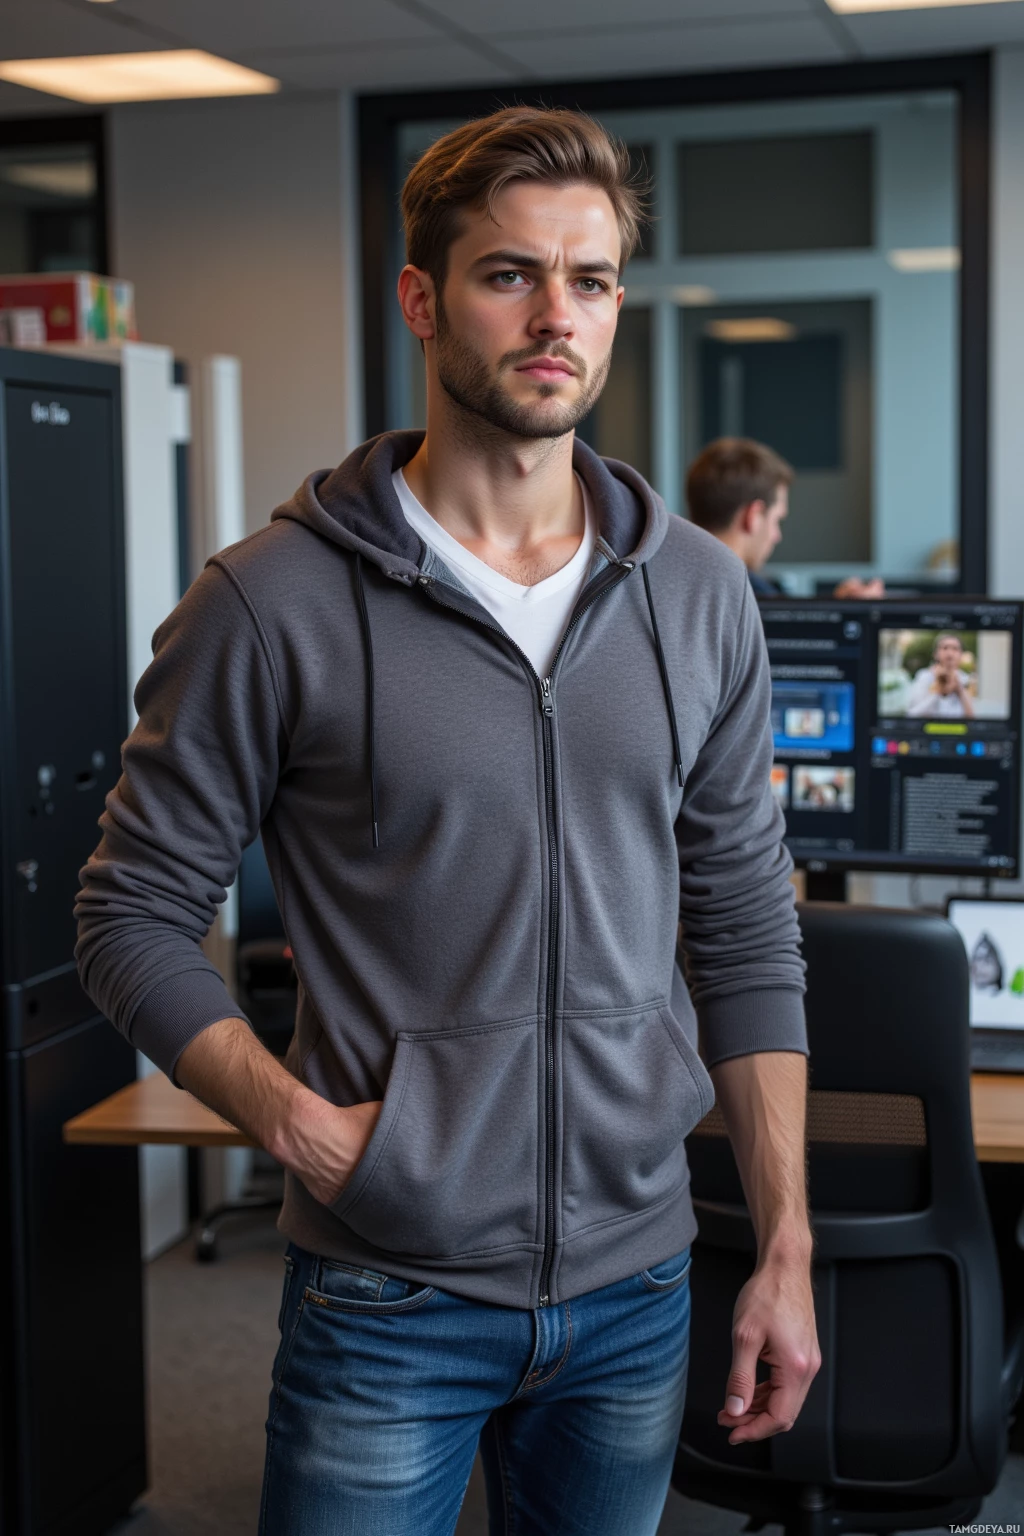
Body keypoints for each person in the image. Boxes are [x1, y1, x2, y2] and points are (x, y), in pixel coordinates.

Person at [76, 107, 818, 1536]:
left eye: (591, 280)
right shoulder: (270, 601)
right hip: (387, 1293)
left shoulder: (698, 594)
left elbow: (741, 923)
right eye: (509, 275)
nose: (558, 318)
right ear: (421, 299)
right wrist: (299, 1131)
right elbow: (129, 913)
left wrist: (783, 1243)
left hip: (639, 1285)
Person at [686, 436, 884, 599]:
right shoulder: (752, 598)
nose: (776, 536)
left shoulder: (666, 586)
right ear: (753, 516)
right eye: (776, 521)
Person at [905, 631, 975, 719]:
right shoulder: (924, 676)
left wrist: (959, 688)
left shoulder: (965, 678)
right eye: (945, 648)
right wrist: (939, 691)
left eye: (955, 649)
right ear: (935, 654)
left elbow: (971, 718)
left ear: (961, 654)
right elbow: (912, 714)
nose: (950, 653)